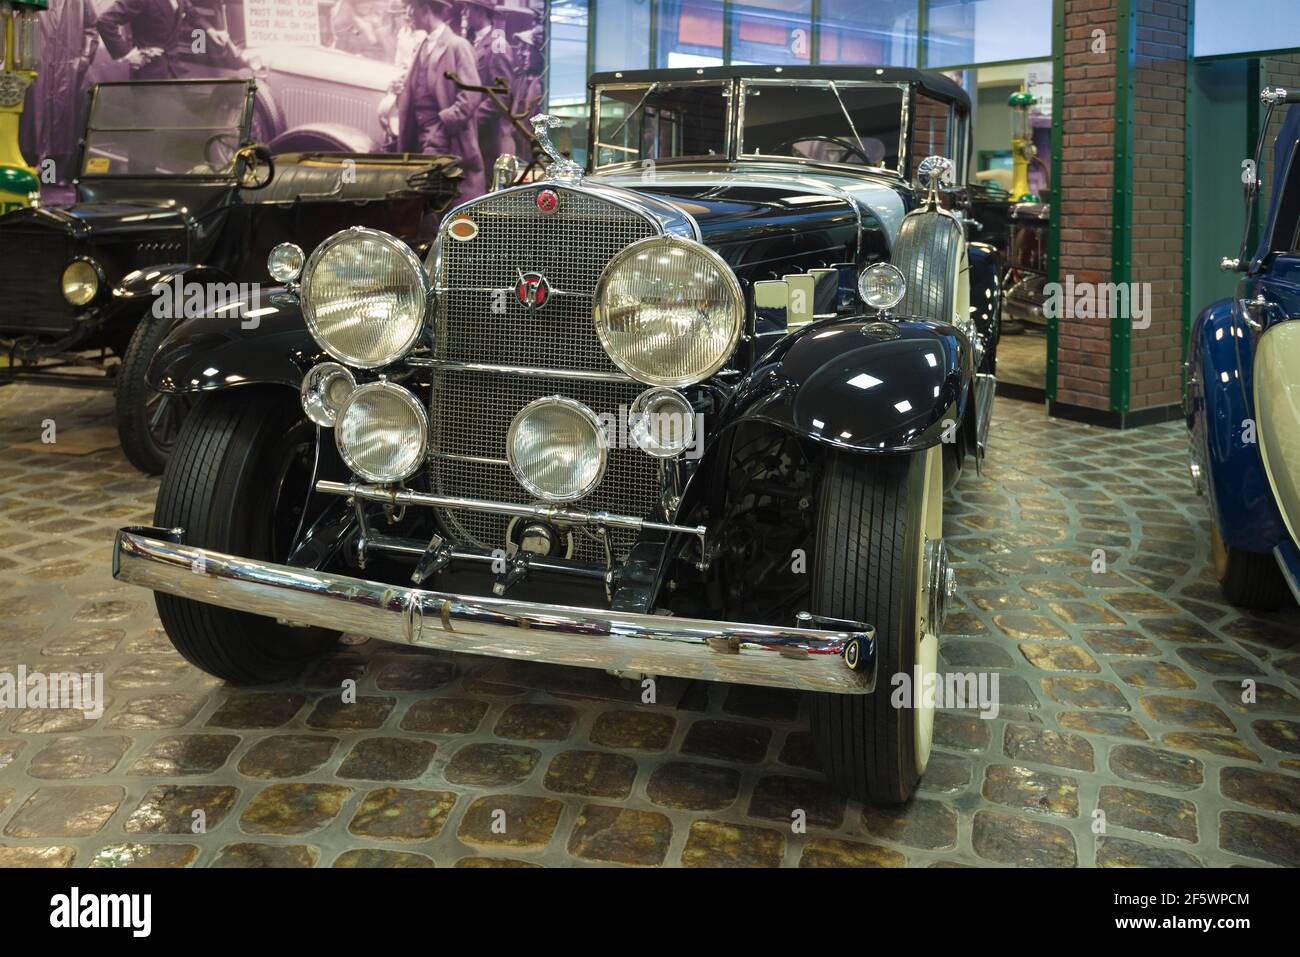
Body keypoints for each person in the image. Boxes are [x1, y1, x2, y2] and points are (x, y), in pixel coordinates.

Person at [396, 0, 485, 196]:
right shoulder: (423, 46)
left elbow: (472, 93)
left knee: (442, 203)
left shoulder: (458, 46)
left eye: (413, 8)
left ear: (426, 9)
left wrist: (445, 123)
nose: (409, 14)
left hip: (446, 141)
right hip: (419, 139)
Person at [98, 0, 244, 79]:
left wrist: (211, 31)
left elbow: (191, 13)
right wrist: (129, 55)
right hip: (150, 76)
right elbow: (105, 21)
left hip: (174, 70)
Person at [459, 0, 514, 168]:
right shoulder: (468, 42)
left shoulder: (497, 45)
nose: (464, 14)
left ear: (481, 12)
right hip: (473, 137)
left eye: (468, 9)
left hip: (489, 139)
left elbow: (502, 96)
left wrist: (471, 120)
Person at [331, 0, 398, 61]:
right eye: (361, 3)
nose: (366, 5)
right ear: (355, 5)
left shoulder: (375, 23)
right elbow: (340, 48)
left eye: (368, 2)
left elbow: (379, 48)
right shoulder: (348, 24)